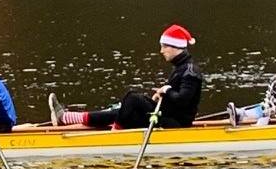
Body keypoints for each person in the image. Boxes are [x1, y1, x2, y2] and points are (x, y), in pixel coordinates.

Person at [48, 25, 204, 130]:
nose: (161, 51)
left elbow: (183, 99)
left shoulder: (190, 72)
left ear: (176, 48)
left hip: (175, 124)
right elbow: (176, 98)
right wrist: (160, 95)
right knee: (124, 109)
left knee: (132, 98)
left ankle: (116, 133)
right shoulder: (182, 68)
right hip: (167, 116)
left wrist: (167, 90)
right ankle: (66, 117)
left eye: (164, 46)